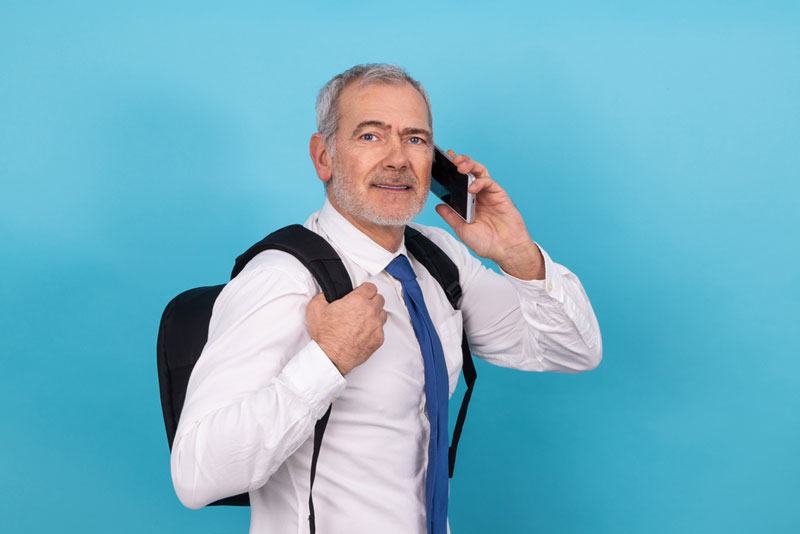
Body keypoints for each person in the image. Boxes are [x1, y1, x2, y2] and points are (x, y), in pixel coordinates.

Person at [170, 63, 602, 533]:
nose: (398, 159)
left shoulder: (439, 258)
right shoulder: (282, 279)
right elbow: (195, 477)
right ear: (324, 157)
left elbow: (573, 350)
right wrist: (328, 359)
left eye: (415, 139)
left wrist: (518, 255)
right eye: (371, 137)